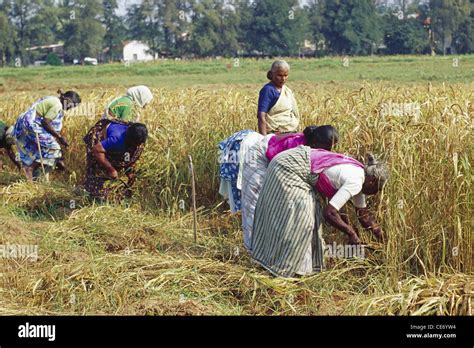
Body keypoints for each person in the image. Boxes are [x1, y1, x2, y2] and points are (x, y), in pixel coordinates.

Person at [251, 146, 389, 278]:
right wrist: (351, 233)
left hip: (291, 163)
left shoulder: (360, 176)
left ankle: (300, 269)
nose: (375, 194)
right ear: (372, 181)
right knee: (303, 222)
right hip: (288, 168)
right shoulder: (356, 181)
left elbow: (363, 216)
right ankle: (282, 270)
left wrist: (383, 238)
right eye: (377, 189)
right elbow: (329, 213)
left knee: (309, 220)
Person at [241, 125, 339, 251]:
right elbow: (276, 163)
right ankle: (254, 249)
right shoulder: (294, 146)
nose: (329, 151)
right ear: (315, 143)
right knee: (257, 203)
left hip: (272, 159)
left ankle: (270, 247)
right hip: (258, 159)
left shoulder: (311, 147)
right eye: (326, 148)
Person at [13, 90, 81, 181]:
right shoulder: (58, 105)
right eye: (71, 106)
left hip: (26, 125)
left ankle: (34, 177)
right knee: (54, 150)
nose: (70, 108)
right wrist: (59, 137)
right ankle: (31, 168)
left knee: (42, 150)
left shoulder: (53, 99)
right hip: (31, 126)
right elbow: (45, 122)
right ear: (67, 101)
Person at [84, 118, 148, 201]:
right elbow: (97, 150)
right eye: (136, 144)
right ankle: (93, 196)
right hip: (100, 143)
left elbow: (129, 156)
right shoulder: (117, 139)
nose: (138, 146)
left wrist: (129, 170)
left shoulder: (139, 136)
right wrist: (111, 169)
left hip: (117, 144)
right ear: (131, 140)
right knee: (98, 171)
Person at [257, 60, 299, 135]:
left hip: (290, 131)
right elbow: (261, 116)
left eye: (286, 75)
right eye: (280, 75)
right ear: (272, 74)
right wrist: (264, 139)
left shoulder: (287, 91)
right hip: (274, 134)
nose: (283, 79)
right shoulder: (268, 90)